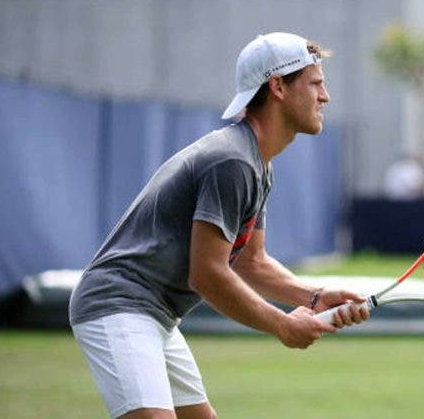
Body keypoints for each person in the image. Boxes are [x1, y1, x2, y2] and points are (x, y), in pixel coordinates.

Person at [69, 32, 369, 419]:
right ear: (277, 86)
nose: (324, 97)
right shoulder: (233, 162)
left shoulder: (257, 164)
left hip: (155, 313)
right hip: (119, 303)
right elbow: (208, 275)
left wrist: (313, 296)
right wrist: (282, 325)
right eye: (315, 84)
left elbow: (250, 262)